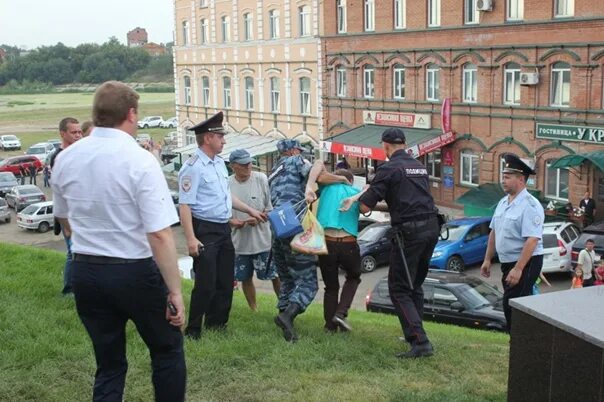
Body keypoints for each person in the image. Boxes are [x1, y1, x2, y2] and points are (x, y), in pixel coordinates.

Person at [51, 81, 186, 401]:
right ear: (130, 114)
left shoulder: (66, 158)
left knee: (109, 364)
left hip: (86, 269)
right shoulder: (139, 159)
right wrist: (175, 291)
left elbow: (64, 216)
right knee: (167, 349)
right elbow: (160, 233)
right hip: (133, 270)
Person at [340, 127, 440, 359]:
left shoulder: (388, 168)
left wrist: (353, 199)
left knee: (398, 288)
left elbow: (365, 206)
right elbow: (407, 198)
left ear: (385, 146)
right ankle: (413, 333)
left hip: (410, 233)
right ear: (404, 144)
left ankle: (420, 342)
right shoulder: (419, 166)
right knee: (414, 285)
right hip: (431, 228)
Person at [178, 111, 266, 340]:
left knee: (226, 281)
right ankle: (194, 330)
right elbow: (185, 205)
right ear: (208, 138)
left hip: (223, 228)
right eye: (220, 136)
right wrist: (190, 238)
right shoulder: (192, 167)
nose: (224, 140)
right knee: (206, 283)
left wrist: (250, 209)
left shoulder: (218, 163)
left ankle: (217, 325)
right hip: (204, 229)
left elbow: (226, 196)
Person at [269, 139, 346, 342]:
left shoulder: (274, 171)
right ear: (294, 151)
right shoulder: (296, 161)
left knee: (287, 278)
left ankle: (283, 316)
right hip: (296, 226)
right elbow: (319, 169)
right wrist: (341, 180)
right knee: (308, 283)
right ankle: (287, 316)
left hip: (277, 227)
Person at [481, 153, 544, 332]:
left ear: (521, 179)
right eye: (503, 176)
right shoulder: (503, 202)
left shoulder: (531, 205)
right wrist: (487, 259)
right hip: (507, 262)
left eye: (508, 177)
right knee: (513, 304)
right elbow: (494, 232)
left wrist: (518, 268)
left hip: (526, 261)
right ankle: (520, 342)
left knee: (514, 304)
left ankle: (520, 344)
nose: (503, 181)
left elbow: (532, 240)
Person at [306, 168, 362, 333]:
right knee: (353, 277)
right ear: (351, 180)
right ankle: (340, 313)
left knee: (331, 286)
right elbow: (365, 209)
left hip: (327, 242)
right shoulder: (355, 191)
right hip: (348, 243)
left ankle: (329, 327)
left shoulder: (325, 188)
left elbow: (319, 175)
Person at [228, 149, 280, 311]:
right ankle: (253, 309)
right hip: (239, 242)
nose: (248, 166)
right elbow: (222, 213)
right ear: (233, 166)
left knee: (274, 275)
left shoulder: (261, 179)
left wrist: (257, 218)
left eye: (250, 163)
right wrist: (232, 222)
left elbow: (270, 210)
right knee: (245, 277)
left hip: (263, 240)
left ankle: (284, 306)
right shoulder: (226, 183)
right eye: (243, 164)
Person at [50, 117, 82, 295]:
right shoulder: (58, 157)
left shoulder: (79, 152)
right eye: (74, 132)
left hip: (79, 211)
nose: (78, 135)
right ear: (63, 133)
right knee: (73, 252)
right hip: (67, 213)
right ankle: (69, 290)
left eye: (79, 132)